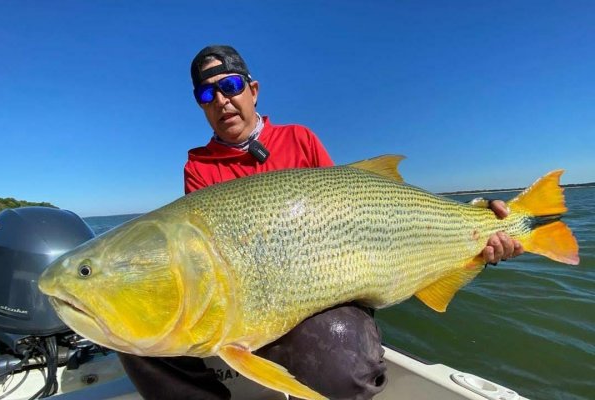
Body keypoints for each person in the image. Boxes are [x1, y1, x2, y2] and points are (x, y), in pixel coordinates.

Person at [118, 45, 523, 400]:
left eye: (231, 86)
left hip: (319, 299)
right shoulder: (198, 166)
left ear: (253, 90)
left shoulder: (300, 138)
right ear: (201, 105)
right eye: (207, 94)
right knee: (132, 337)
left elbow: (355, 206)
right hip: (249, 306)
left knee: (343, 358)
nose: (221, 100)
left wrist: (478, 220)